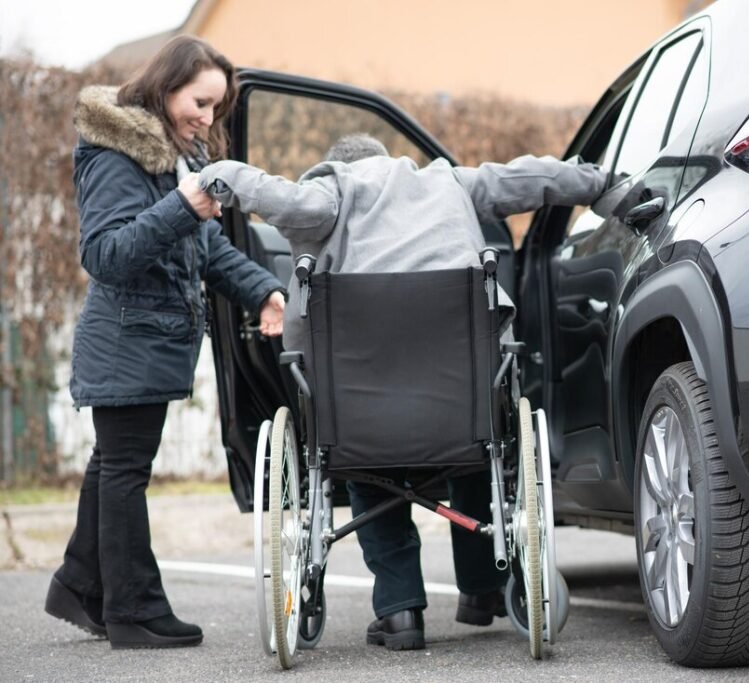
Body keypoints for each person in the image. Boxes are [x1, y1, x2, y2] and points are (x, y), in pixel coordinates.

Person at [197, 133, 607, 650]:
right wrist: (603, 185)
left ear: (334, 167)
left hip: (359, 411)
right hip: (459, 404)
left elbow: (274, 196)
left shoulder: (329, 193)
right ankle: (481, 590)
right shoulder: (447, 181)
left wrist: (220, 174)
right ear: (390, 162)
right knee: (478, 453)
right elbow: (533, 178)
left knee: (367, 466)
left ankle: (399, 611)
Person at [44, 36, 286, 649]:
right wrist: (181, 206)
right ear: (166, 86)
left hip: (146, 337)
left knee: (113, 465)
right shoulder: (115, 153)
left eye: (215, 109)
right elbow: (106, 255)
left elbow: (207, 250)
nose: (207, 118)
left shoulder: (175, 158)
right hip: (128, 336)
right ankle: (133, 610)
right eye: (199, 102)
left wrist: (263, 291)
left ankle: (80, 584)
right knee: (125, 470)